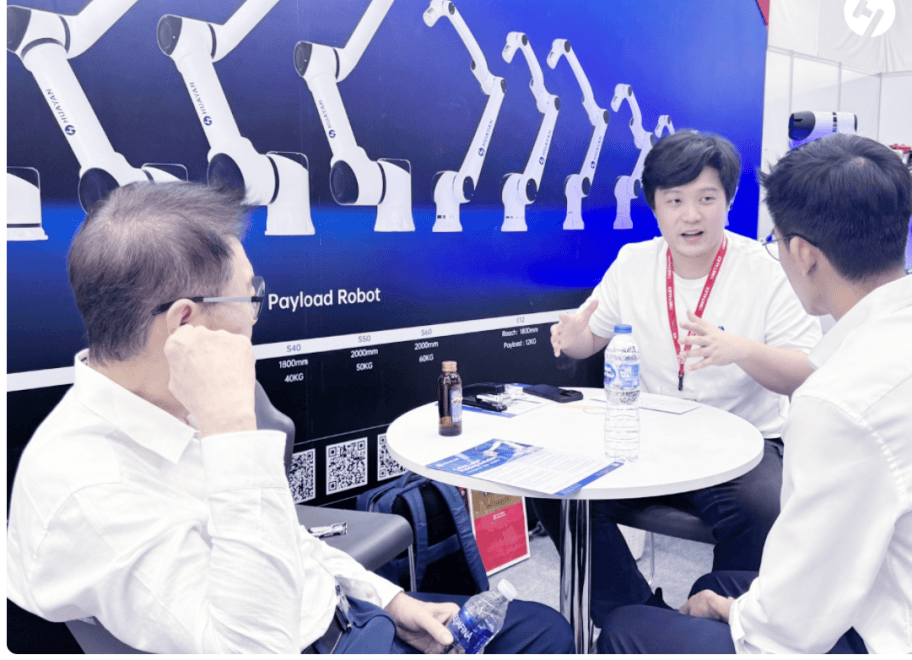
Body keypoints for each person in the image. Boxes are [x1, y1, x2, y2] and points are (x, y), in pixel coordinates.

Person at [6, 181, 573, 654]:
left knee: (539, 628)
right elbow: (256, 647)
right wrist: (232, 434)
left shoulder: (171, 405)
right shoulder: (91, 489)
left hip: (343, 614)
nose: (256, 315)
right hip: (310, 642)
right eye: (248, 298)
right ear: (185, 325)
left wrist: (391, 600)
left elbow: (284, 539)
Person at [597, 134, 912, 653]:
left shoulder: (839, 398)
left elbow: (791, 626)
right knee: (717, 584)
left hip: (910, 641)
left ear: (802, 253)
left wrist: (726, 612)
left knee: (627, 627)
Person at [537, 130, 822, 625]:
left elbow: (805, 370)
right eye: (675, 201)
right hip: (651, 436)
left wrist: (739, 350)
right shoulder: (633, 263)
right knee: (552, 483)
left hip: (741, 446)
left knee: (765, 507)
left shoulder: (765, 271)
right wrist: (573, 336)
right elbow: (590, 337)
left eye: (707, 199)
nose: (691, 215)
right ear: (655, 207)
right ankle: (640, 620)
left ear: (728, 202)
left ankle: (714, 624)